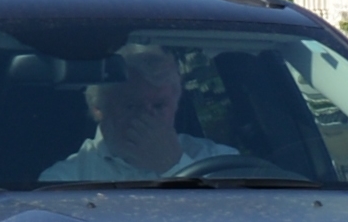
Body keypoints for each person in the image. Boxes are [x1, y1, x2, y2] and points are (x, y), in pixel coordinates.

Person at [43, 42, 241, 183]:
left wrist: (173, 165)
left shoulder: (220, 162)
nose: (147, 117)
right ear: (98, 109)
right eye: (132, 106)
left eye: (159, 106)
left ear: (176, 105)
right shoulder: (66, 180)